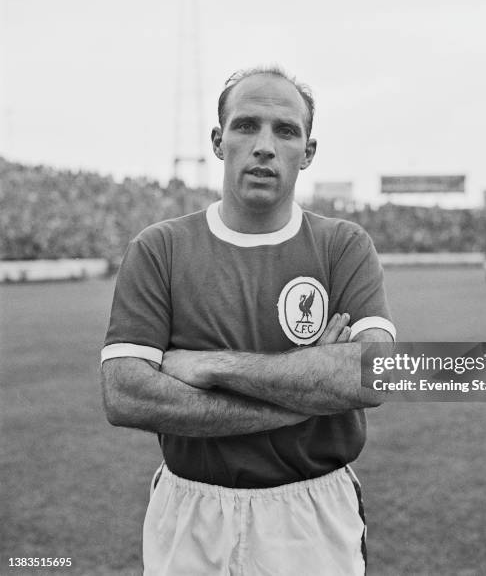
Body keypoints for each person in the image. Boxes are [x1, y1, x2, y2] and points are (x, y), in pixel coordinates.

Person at [100, 66, 396, 576]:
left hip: (311, 515)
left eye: (286, 131)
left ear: (308, 152)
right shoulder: (160, 248)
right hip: (189, 510)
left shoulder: (343, 245)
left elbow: (373, 373)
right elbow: (126, 394)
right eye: (246, 126)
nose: (264, 145)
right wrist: (309, 389)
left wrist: (212, 366)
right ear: (218, 141)